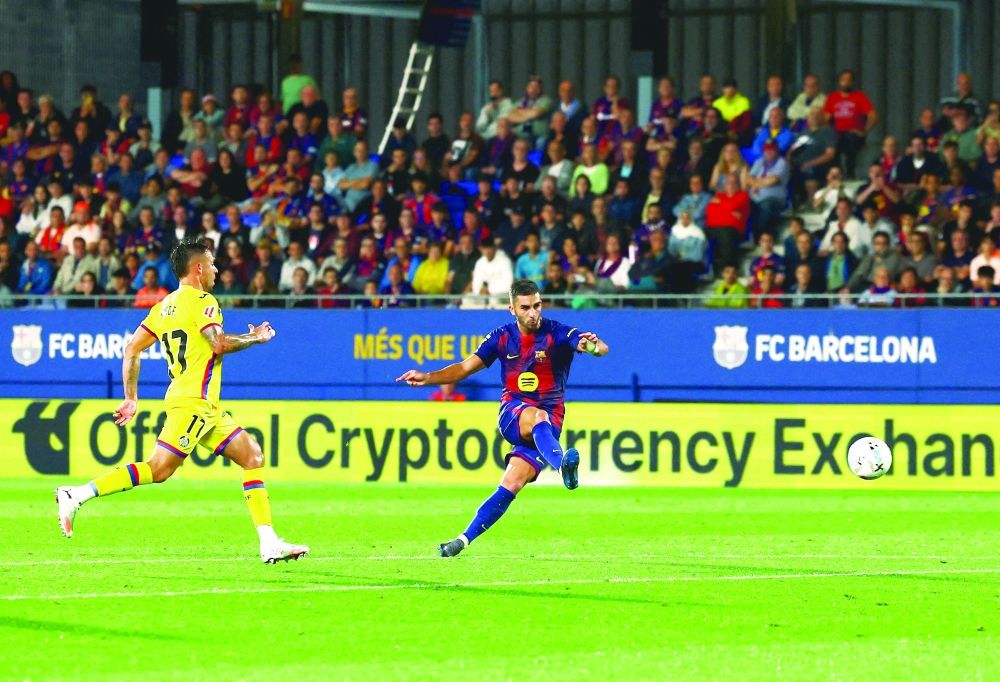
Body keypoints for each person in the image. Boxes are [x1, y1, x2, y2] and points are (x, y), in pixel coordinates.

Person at [56, 238, 308, 562]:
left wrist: (131, 398)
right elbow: (217, 344)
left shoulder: (162, 307)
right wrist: (255, 337)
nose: (217, 269)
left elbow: (131, 349)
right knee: (159, 470)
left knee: (252, 456)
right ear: (199, 268)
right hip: (192, 402)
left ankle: (269, 542)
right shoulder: (203, 300)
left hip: (205, 407)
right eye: (213, 263)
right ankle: (75, 495)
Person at [396, 279, 607, 556]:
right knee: (537, 415)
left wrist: (591, 346)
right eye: (526, 307)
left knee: (512, 483)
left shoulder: (557, 332)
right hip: (514, 413)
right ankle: (562, 468)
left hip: (549, 427)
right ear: (512, 309)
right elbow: (464, 367)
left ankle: (461, 540)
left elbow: (599, 348)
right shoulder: (501, 337)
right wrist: (428, 377)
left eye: (537, 306)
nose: (533, 313)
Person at [822, 70, 878, 178]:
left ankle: (850, 175)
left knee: (850, 142)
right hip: (837, 133)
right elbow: (826, 117)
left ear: (852, 82)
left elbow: (873, 115)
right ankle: (836, 174)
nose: (846, 83)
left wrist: (864, 130)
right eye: (843, 80)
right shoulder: (832, 97)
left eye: (848, 80)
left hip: (853, 134)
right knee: (832, 143)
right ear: (839, 81)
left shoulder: (859, 96)